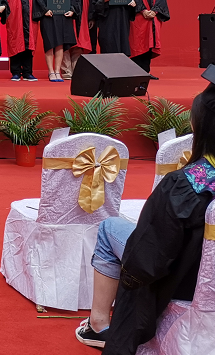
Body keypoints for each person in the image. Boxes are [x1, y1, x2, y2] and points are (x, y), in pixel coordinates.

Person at [74, 69, 215, 352]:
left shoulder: (187, 185)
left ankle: (99, 325)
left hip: (187, 281)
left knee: (110, 228)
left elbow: (147, 258)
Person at [32, 0, 78, 82]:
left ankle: (57, 71)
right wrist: (45, 10)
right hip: (49, 16)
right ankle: (51, 71)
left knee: (60, 44)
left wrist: (71, 9)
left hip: (63, 16)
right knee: (50, 43)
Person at [0, 0, 39, 82]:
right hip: (14, 17)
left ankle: (28, 72)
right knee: (15, 41)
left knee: (29, 42)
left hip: (30, 16)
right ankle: (15, 72)